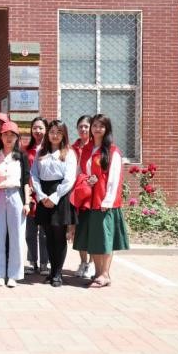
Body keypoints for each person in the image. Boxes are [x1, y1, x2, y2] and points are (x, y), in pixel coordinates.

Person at [73, 114, 129, 288]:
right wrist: (86, 180)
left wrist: (108, 200)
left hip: (103, 202)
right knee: (94, 240)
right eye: (95, 125)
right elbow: (79, 172)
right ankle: (97, 273)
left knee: (105, 239)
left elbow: (114, 178)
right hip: (88, 201)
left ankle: (105, 274)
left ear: (107, 129)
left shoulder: (112, 151)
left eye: (101, 126)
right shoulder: (87, 149)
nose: (97, 129)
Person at [30, 120, 78, 288]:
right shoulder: (40, 152)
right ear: (48, 134)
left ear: (64, 134)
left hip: (60, 195)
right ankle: (51, 272)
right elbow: (34, 174)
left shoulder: (69, 153)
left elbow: (70, 179)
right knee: (48, 235)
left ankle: (58, 272)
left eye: (59, 132)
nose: (55, 135)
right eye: (52, 132)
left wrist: (54, 197)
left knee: (59, 236)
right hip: (43, 194)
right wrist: (41, 195)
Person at [0, 121, 31, 288]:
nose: (8, 138)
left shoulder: (22, 156)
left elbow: (26, 181)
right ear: (0, 136)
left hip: (16, 195)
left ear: (17, 138)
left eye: (12, 135)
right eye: (5, 134)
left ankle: (14, 275)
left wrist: (27, 202)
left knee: (17, 236)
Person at [24, 117, 50, 276]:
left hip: (45, 195)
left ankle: (44, 263)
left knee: (45, 232)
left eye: (40, 128)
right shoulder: (26, 150)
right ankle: (32, 261)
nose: (37, 131)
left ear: (46, 130)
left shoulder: (50, 149)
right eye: (35, 128)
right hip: (30, 195)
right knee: (30, 231)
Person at [72, 115, 95, 279]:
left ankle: (92, 263)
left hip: (92, 192)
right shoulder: (73, 147)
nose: (83, 129)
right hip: (77, 192)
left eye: (86, 126)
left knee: (91, 229)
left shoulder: (95, 147)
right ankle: (82, 262)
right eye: (80, 126)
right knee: (80, 229)